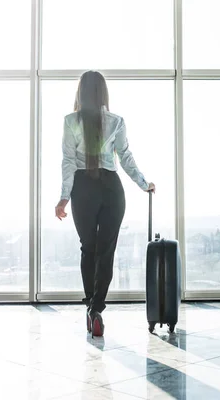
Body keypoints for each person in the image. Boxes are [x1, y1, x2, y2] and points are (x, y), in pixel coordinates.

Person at [55, 70, 155, 337]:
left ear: (80, 92)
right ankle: (97, 309)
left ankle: (91, 307)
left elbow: (67, 161)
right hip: (112, 188)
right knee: (106, 250)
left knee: (88, 249)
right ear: (103, 93)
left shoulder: (70, 121)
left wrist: (64, 197)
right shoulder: (116, 121)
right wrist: (144, 184)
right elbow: (125, 157)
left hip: (83, 188)